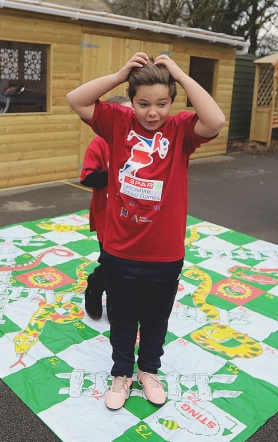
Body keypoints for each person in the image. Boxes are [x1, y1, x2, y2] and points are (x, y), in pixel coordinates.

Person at [66, 53, 225, 410]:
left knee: (156, 317)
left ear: (172, 100)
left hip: (165, 252)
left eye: (161, 103)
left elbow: (215, 119)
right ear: (132, 100)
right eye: (143, 104)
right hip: (121, 249)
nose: (153, 113)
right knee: (121, 317)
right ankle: (121, 373)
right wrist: (120, 73)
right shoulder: (117, 122)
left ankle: (148, 371)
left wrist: (181, 75)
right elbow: (75, 99)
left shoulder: (181, 128)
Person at [80, 94, 131, 321]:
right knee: (110, 263)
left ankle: (116, 301)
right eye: (124, 114)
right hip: (106, 217)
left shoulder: (138, 143)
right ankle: (95, 287)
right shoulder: (100, 143)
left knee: (126, 266)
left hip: (132, 218)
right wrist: (117, 173)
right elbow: (87, 177)